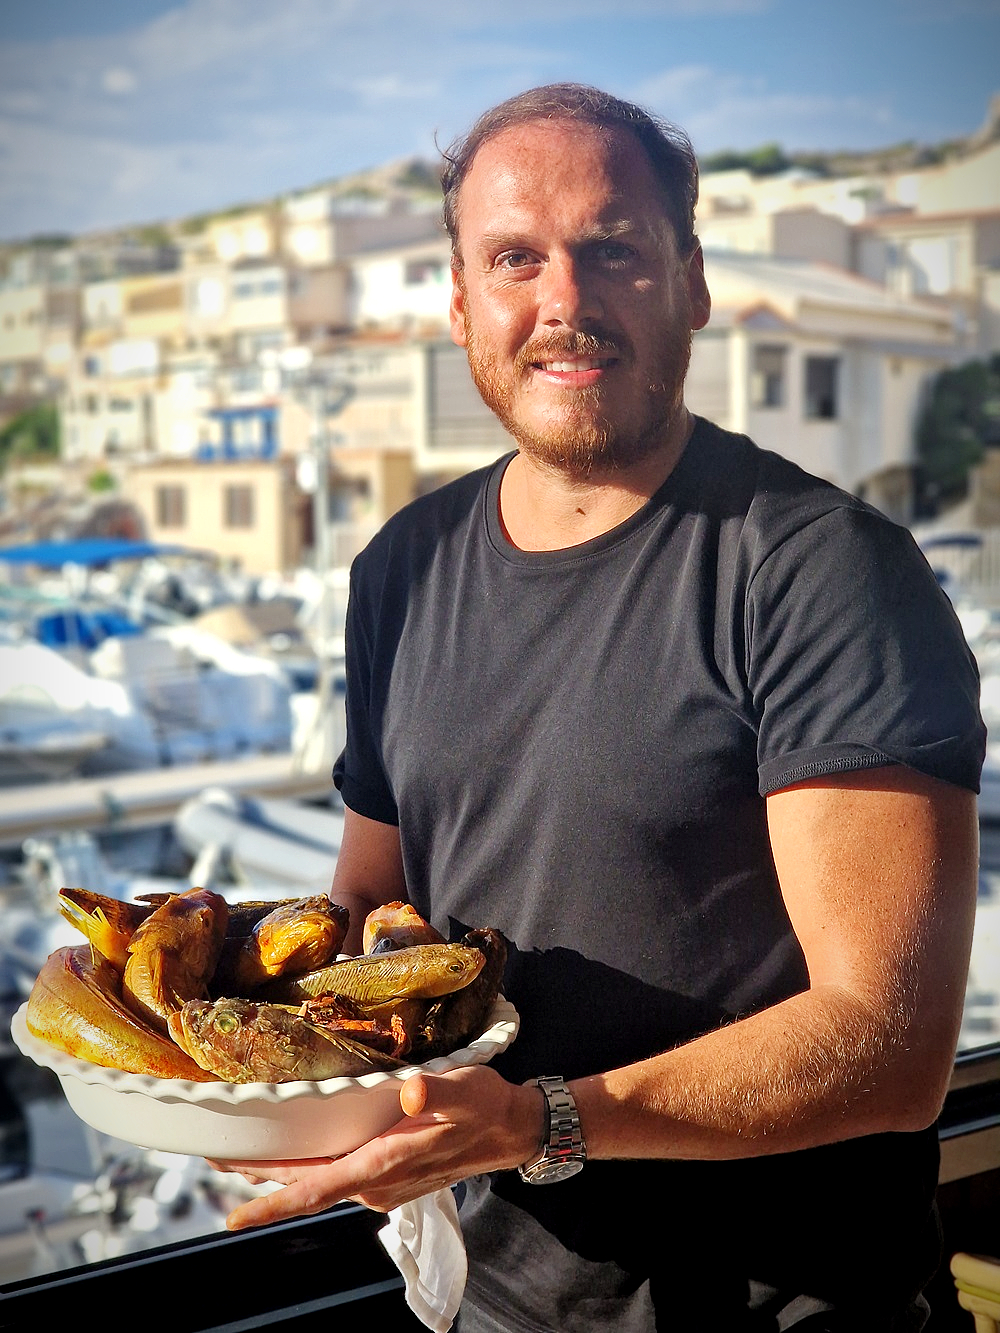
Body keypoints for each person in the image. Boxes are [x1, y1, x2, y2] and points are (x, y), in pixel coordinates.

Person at [213, 84, 985, 1330]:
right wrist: (204, 1039)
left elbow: (891, 1048)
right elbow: (366, 916)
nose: (563, 301)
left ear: (690, 281)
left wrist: (534, 1123)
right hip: (490, 1306)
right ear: (461, 301)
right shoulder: (399, 571)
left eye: (612, 249)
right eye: (515, 257)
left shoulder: (820, 568)